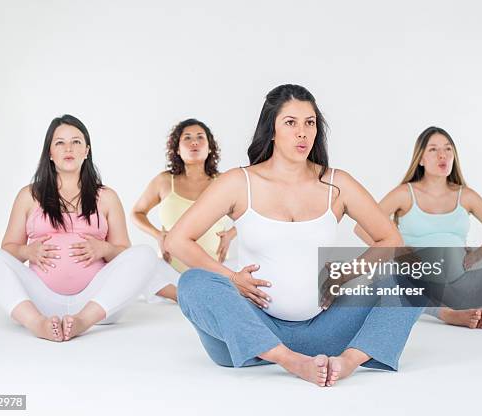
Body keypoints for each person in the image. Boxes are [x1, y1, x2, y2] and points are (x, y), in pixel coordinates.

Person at [165, 84, 423, 387]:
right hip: (249, 334)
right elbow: (177, 240)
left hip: (325, 331)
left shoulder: (337, 183)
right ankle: (288, 360)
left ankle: (349, 361)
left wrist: (347, 273)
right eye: (291, 123)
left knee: (417, 270)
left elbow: (390, 239)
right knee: (192, 282)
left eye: (309, 123)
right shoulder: (239, 182)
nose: (303, 132)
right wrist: (231, 277)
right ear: (271, 129)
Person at [0, 115, 157, 342]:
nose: (68, 148)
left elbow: (125, 255)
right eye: (60, 142)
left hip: (96, 302)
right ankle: (36, 323)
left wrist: (104, 249)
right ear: (49, 152)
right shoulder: (29, 195)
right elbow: (7, 250)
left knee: (146, 254)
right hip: (40, 301)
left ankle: (82, 322)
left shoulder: (107, 197)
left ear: (87, 150)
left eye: (76, 142)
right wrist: (26, 252)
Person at [355, 126, 482, 328]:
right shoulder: (404, 193)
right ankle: (446, 314)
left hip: (459, 279)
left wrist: (476, 256)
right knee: (394, 281)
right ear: (420, 159)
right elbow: (361, 227)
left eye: (448, 149)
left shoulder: (466, 195)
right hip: (418, 278)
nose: (442, 155)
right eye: (433, 150)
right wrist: (398, 252)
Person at [132, 119, 236, 302]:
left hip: (214, 271)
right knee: (139, 264)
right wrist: (158, 235)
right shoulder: (164, 181)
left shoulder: (223, 182)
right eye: (187, 138)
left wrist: (231, 234)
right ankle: (185, 296)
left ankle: (199, 294)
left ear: (210, 147)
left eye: (200, 137)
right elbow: (136, 213)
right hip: (171, 273)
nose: (194, 142)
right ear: (177, 149)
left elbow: (252, 214)